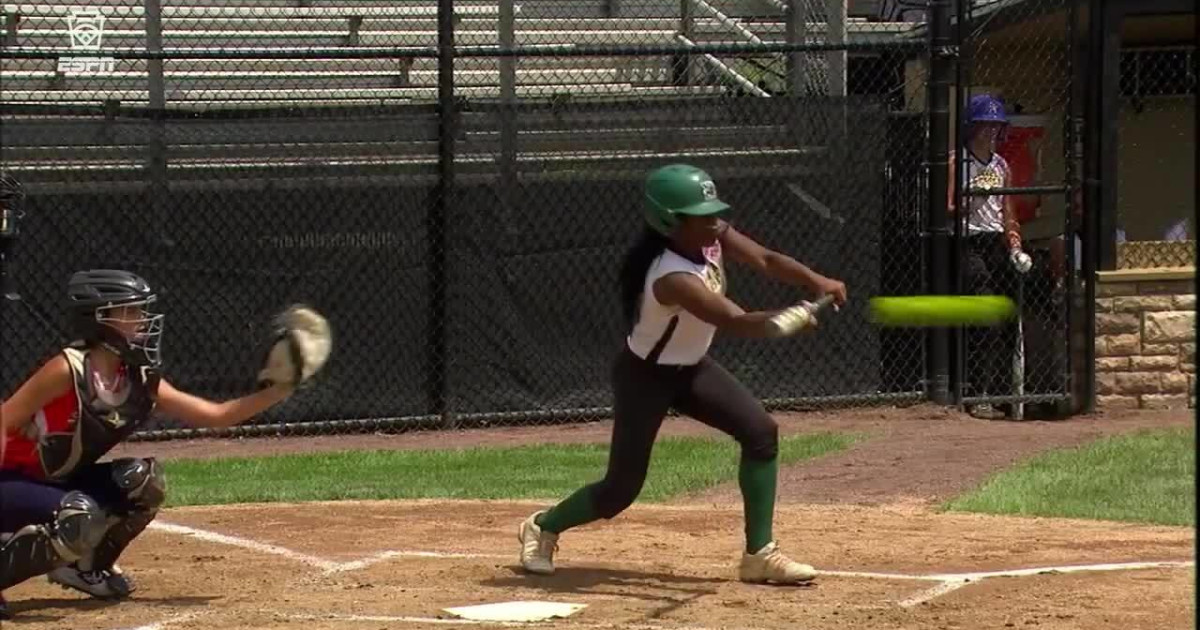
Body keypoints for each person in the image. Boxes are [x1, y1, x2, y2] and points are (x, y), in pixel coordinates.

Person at [516, 164, 848, 584]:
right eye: (702, 214)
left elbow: (765, 259)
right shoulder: (670, 276)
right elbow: (735, 321)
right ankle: (543, 526)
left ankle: (759, 554)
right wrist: (789, 316)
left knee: (761, 432)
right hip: (646, 378)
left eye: (713, 211)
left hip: (693, 369)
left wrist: (817, 281)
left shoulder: (710, 237)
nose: (714, 222)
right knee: (621, 490)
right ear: (669, 221)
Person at [0, 269, 326, 619]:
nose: (142, 320)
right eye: (130, 312)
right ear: (100, 319)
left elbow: (213, 415)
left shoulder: (138, 375)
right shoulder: (67, 370)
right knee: (77, 515)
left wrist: (278, 390)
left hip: (54, 482)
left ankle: (85, 567)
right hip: (10, 482)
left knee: (143, 480)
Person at [949, 94, 1033, 419]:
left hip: (995, 244)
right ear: (973, 127)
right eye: (985, 126)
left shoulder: (1001, 167)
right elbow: (948, 211)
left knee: (1008, 315)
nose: (991, 133)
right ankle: (976, 394)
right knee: (984, 313)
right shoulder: (959, 161)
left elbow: (1008, 214)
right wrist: (973, 199)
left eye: (996, 127)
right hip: (969, 241)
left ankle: (1002, 392)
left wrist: (1014, 245)